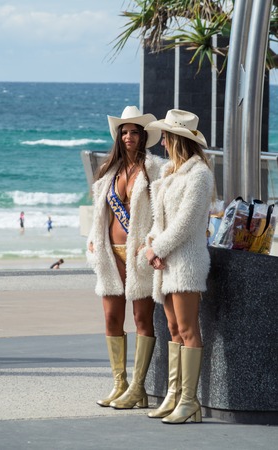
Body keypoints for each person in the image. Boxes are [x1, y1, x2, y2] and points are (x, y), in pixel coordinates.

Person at [86, 106, 164, 409]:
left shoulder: (155, 167)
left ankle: (138, 387)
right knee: (111, 318)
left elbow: (162, 211)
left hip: (138, 256)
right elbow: (99, 215)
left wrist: (152, 243)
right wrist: (94, 240)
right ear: (119, 137)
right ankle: (119, 383)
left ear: (143, 136)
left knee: (142, 319)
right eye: (125, 132)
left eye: (134, 132)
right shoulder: (110, 171)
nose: (129, 136)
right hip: (110, 255)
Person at [144, 109, 214, 424]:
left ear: (178, 139)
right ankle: (175, 396)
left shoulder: (199, 174)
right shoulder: (169, 172)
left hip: (186, 261)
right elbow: (160, 220)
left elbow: (186, 222)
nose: (163, 143)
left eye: (167, 137)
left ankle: (190, 401)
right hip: (167, 260)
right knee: (173, 329)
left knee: (188, 329)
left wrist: (156, 249)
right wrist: (151, 246)